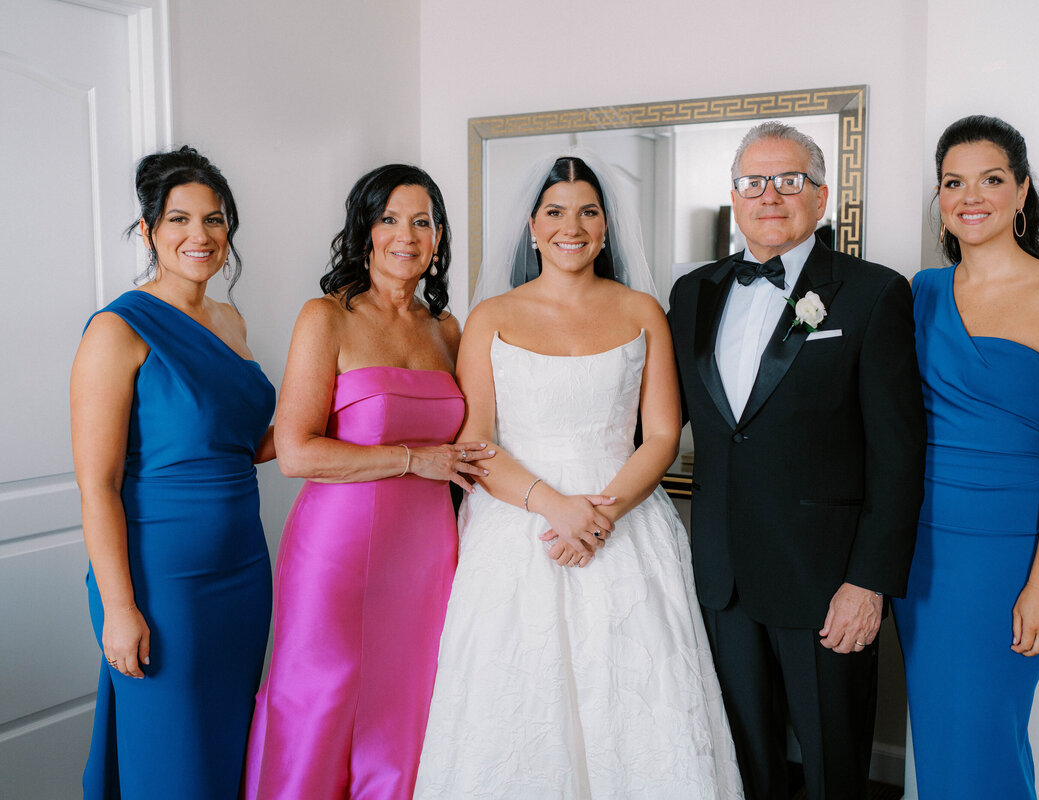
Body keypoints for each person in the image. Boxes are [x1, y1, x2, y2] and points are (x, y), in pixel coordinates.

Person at [414, 153, 743, 799]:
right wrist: (554, 507)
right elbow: (476, 441)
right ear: (533, 226)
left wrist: (600, 515)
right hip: (517, 524)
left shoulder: (642, 310)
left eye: (588, 212)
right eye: (556, 212)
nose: (573, 226)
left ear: (606, 226)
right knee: (518, 695)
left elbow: (663, 435)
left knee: (633, 693)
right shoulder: (491, 317)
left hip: (625, 519)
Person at [667, 121, 927, 800]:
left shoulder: (873, 293)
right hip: (723, 578)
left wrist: (868, 582)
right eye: (753, 182)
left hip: (826, 582)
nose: (770, 195)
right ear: (734, 196)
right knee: (741, 766)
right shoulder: (691, 294)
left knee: (834, 768)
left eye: (789, 180)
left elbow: (898, 454)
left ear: (820, 196)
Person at [242, 165, 491, 799]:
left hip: (428, 553)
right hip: (337, 550)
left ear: (438, 237)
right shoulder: (326, 318)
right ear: (364, 231)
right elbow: (296, 452)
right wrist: (413, 459)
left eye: (422, 221)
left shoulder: (448, 330)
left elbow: (477, 438)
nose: (406, 235)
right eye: (389, 219)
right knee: (322, 697)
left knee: (408, 703)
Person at [891, 115, 1039, 800]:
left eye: (990, 179)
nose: (970, 196)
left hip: (1007, 558)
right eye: (953, 183)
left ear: (1021, 190)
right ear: (940, 197)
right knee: (942, 744)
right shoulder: (921, 291)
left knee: (986, 738)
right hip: (923, 554)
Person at [71, 146, 275, 799]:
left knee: (227, 753)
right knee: (174, 765)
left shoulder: (230, 321)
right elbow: (97, 485)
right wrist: (120, 608)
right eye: (179, 219)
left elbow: (243, 445)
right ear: (148, 230)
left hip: (243, 571)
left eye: (214, 220)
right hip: (162, 583)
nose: (200, 236)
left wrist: (353, 414)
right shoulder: (117, 328)